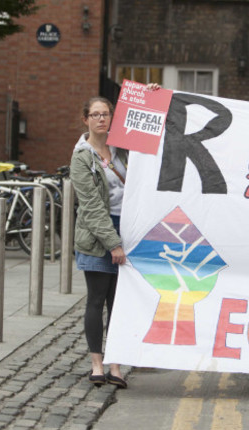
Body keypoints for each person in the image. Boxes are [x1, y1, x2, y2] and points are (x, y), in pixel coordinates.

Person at [71, 84, 160, 388]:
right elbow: (92, 207)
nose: (101, 119)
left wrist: (149, 97)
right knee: (97, 299)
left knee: (119, 302)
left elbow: (150, 138)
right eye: (94, 115)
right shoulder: (81, 157)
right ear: (85, 120)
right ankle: (97, 363)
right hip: (98, 235)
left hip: (128, 228)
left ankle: (116, 364)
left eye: (106, 114)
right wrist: (114, 244)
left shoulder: (123, 148)